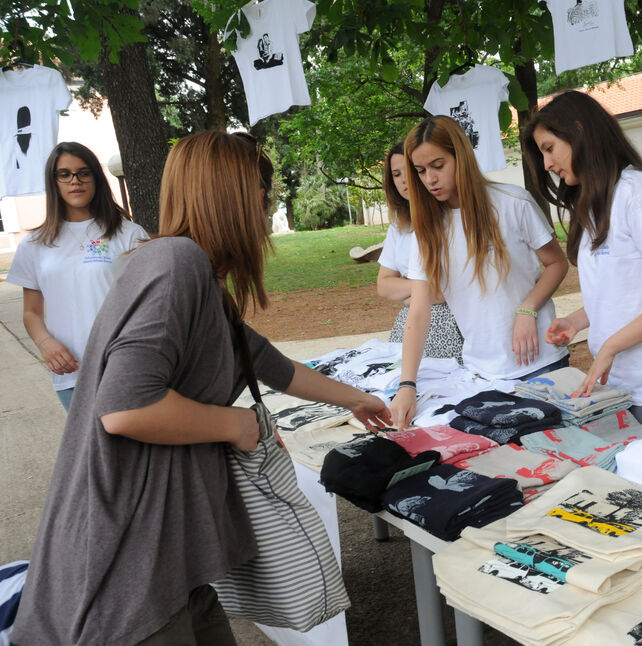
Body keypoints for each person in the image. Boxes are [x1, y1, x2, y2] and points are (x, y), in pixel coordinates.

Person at [11, 131, 391, 645]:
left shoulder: (199, 275)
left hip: (170, 553)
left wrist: (359, 399)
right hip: (127, 564)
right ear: (237, 193)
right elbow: (125, 409)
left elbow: (264, 361)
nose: (268, 207)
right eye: (265, 191)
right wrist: (237, 425)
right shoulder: (175, 265)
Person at [522, 90, 642, 427]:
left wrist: (610, 347)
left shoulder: (637, 193)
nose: (547, 164)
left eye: (549, 148)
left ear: (579, 131)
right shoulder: (595, 203)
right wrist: (576, 321)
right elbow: (625, 289)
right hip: (618, 384)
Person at [389, 116, 570, 429]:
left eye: (438, 165)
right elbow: (418, 314)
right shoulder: (426, 230)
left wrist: (527, 309)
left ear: (461, 157)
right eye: (420, 171)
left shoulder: (513, 203)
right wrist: (407, 385)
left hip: (541, 365)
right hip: (480, 374)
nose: (430, 179)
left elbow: (557, 263)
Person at [5, 142, 148, 410]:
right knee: (90, 451)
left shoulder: (129, 234)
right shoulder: (35, 244)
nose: (75, 181)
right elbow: (32, 312)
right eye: (65, 174)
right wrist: (46, 344)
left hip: (124, 368)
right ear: (54, 181)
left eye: (84, 172)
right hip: (71, 372)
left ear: (96, 178)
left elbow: (148, 305)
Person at [376, 141, 464, 360]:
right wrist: (422, 290)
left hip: (454, 328)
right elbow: (384, 285)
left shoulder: (449, 217)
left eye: (409, 171)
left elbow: (446, 290)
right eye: (396, 174)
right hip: (408, 327)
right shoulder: (400, 225)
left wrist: (411, 293)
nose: (404, 180)